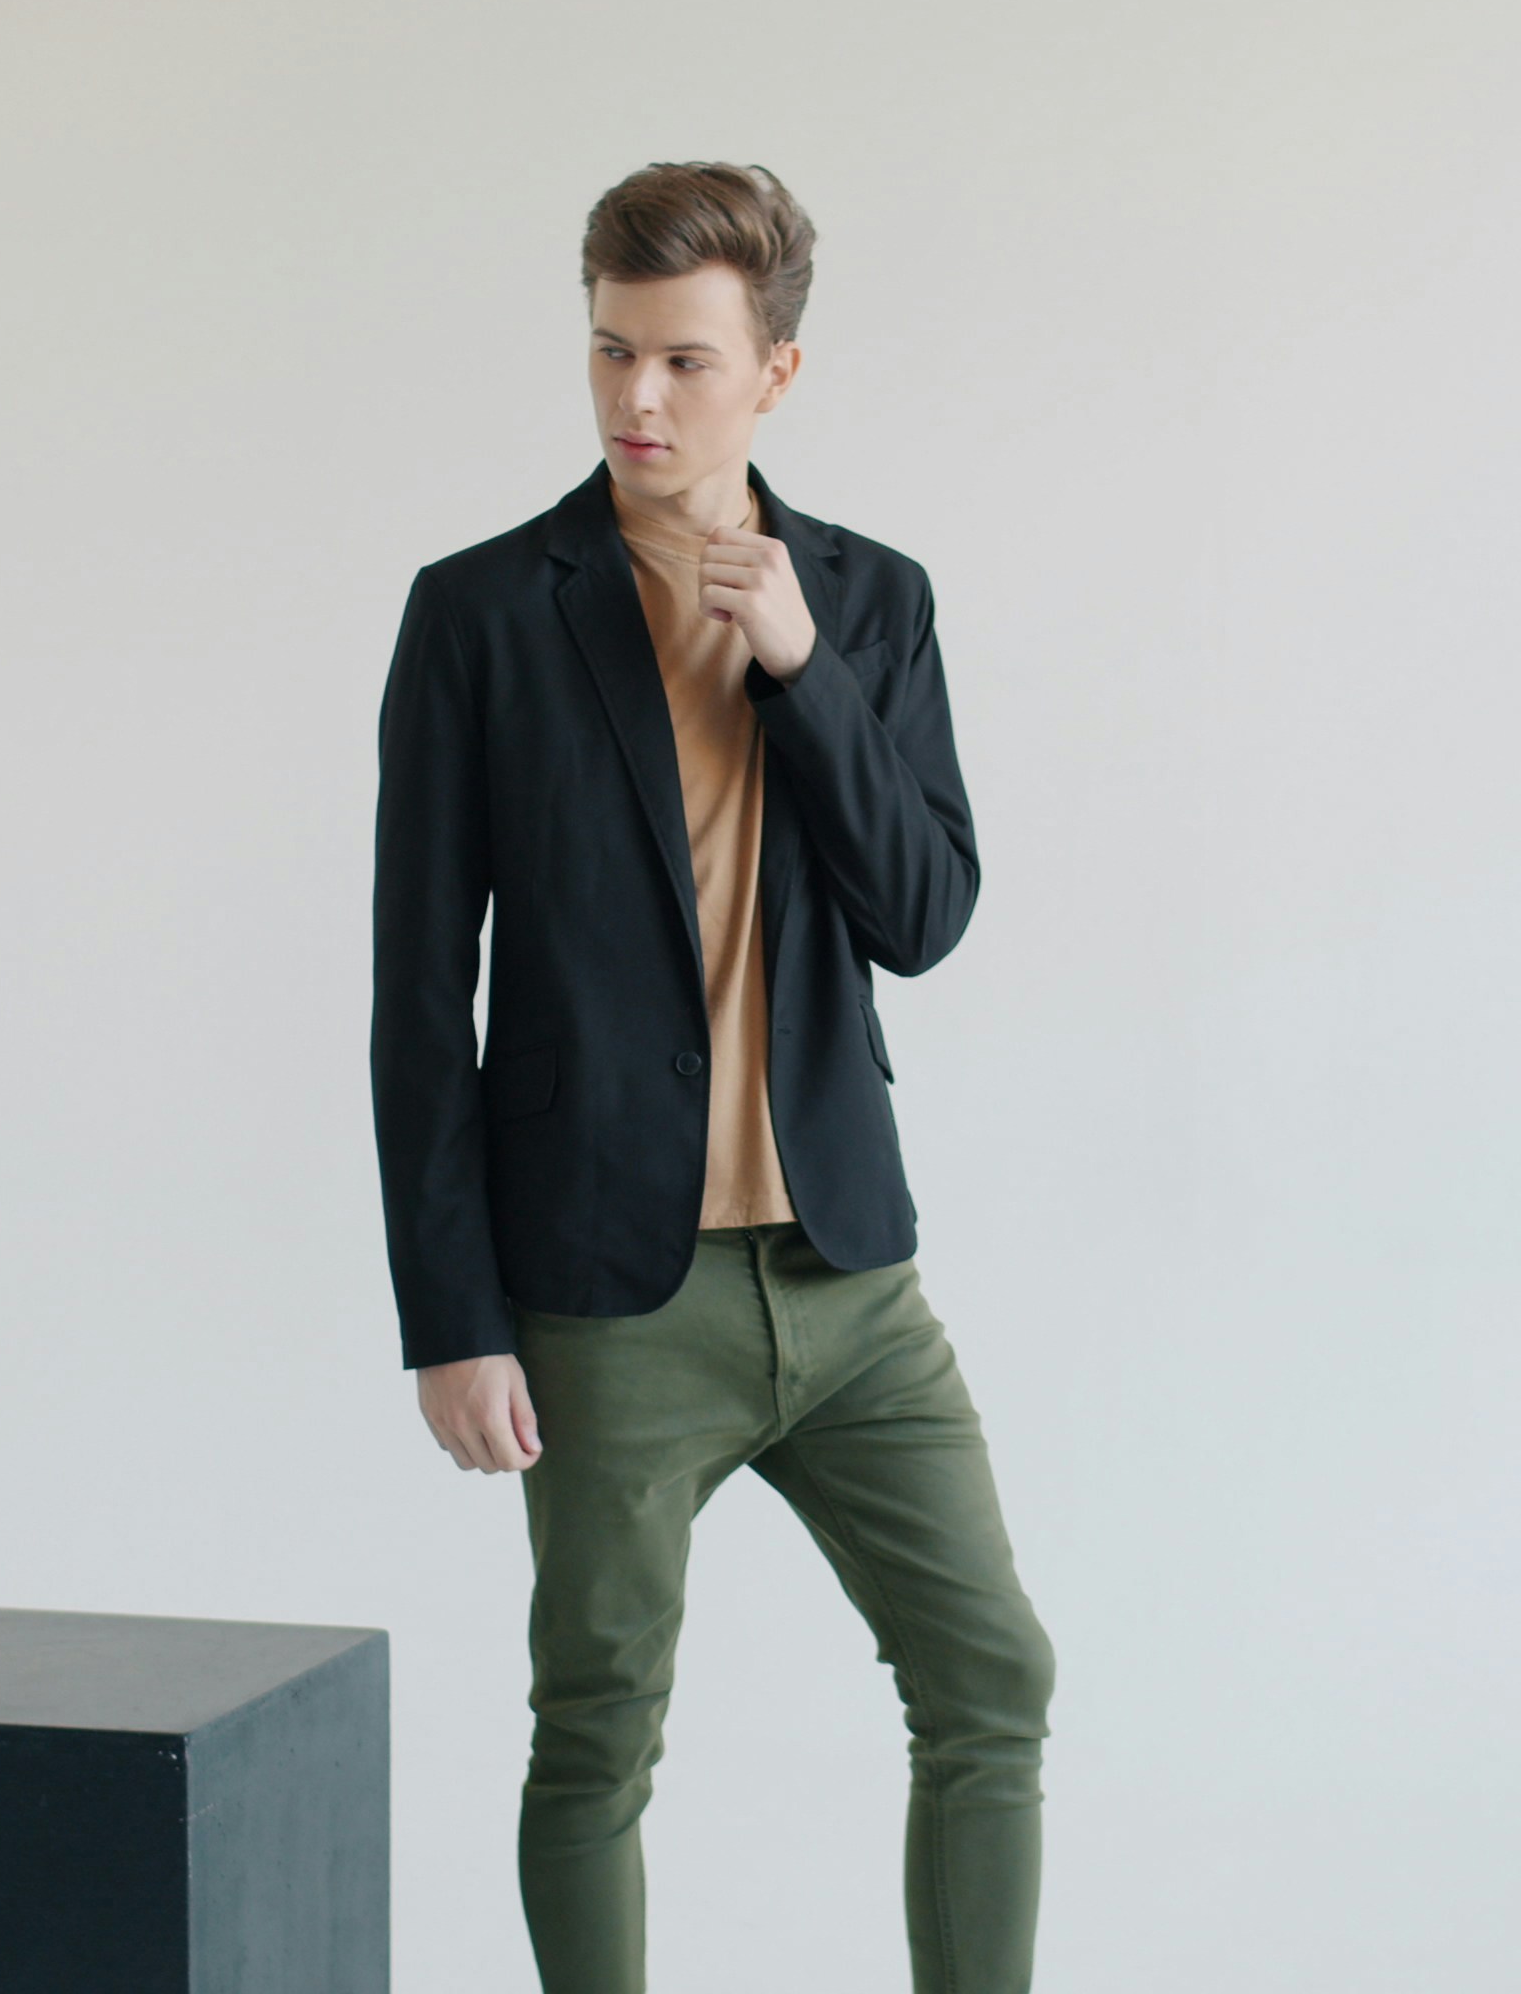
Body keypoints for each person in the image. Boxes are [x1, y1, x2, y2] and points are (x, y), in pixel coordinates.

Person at [372, 162, 1056, 1994]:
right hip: (609, 1296)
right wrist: (454, 1316)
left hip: (847, 1280)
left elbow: (923, 915)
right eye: (609, 351)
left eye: (682, 359)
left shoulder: (870, 603)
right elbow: (417, 1000)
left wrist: (804, 673)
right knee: (597, 1731)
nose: (635, 401)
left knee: (993, 1675)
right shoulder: (482, 617)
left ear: (779, 373)